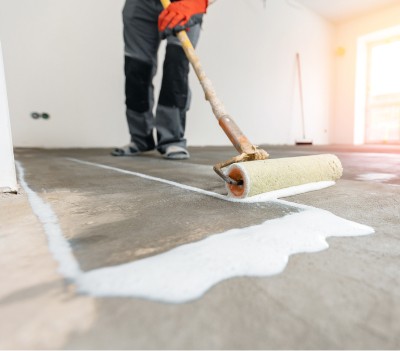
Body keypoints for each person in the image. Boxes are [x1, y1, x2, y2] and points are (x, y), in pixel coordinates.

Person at [112, 0, 209, 160]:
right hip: (140, 4)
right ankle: (140, 138)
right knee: (136, 68)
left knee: (176, 65)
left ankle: (172, 140)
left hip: (184, 3)